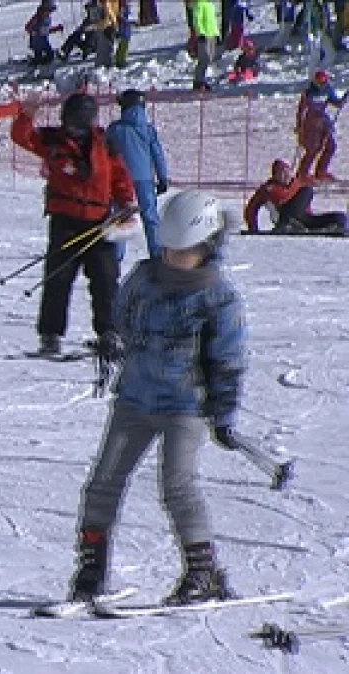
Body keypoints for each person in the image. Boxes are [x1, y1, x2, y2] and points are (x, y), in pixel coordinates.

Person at [67, 190, 244, 607]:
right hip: (136, 399)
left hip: (186, 406)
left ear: (206, 248)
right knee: (103, 483)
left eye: (183, 251)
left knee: (177, 486)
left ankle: (204, 571)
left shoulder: (218, 297)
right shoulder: (145, 278)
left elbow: (228, 359)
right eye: (168, 248)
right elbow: (122, 316)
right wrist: (113, 339)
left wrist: (222, 411)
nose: (172, 257)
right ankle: (91, 569)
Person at [11, 92, 138, 356]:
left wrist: (126, 203)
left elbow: (119, 176)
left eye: (76, 124)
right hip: (65, 220)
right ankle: (50, 335)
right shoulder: (53, 140)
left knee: (105, 279)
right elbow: (22, 137)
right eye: (67, 121)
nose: (70, 128)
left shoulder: (105, 145)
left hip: (99, 223)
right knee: (59, 278)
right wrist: (27, 115)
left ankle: (110, 332)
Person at [106, 89, 170, 258]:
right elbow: (157, 154)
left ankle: (115, 257)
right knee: (150, 218)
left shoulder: (114, 130)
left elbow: (105, 154)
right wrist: (163, 177)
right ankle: (157, 255)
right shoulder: (148, 130)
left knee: (121, 217)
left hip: (120, 181)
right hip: (145, 180)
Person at [244, 159, 347, 234]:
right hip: (284, 216)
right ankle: (288, 224)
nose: (285, 176)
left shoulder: (298, 183)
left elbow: (318, 179)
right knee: (307, 191)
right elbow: (251, 209)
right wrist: (253, 228)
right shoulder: (268, 189)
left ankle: (339, 226)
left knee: (340, 216)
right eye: (280, 173)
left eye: (286, 172)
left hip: (303, 218)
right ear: (275, 175)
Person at [295, 70, 344, 181]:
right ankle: (302, 174)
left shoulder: (328, 90)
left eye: (324, 81)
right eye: (320, 81)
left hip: (323, 122)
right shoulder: (309, 92)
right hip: (311, 122)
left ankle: (321, 171)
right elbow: (301, 109)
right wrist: (299, 126)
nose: (322, 83)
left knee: (330, 146)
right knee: (313, 149)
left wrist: (343, 98)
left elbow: (337, 103)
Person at [26, 1, 65, 66]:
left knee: (48, 56)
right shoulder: (38, 17)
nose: (50, 12)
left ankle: (36, 62)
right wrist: (34, 32)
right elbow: (28, 27)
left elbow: (46, 30)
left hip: (43, 40)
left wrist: (57, 28)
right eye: (49, 10)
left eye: (51, 10)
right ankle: (38, 64)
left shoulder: (47, 17)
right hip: (37, 41)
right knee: (49, 56)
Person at [192, 0, 218, 91]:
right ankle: (198, 81)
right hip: (204, 36)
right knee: (204, 58)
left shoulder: (210, 4)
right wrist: (200, 33)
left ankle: (201, 80)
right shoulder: (199, 3)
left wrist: (217, 34)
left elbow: (213, 21)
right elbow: (197, 19)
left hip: (212, 35)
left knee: (209, 58)